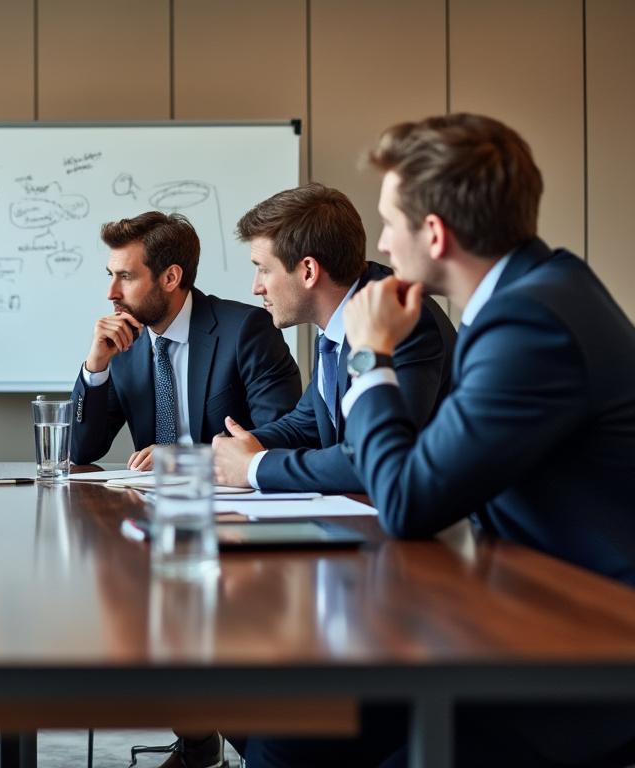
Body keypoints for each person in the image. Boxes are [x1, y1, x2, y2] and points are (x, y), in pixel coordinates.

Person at [245, 114, 635, 766]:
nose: (383, 245)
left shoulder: (529, 322)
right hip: (520, 612)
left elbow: (408, 499)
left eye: (391, 223)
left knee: (296, 739)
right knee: (286, 732)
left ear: (435, 233)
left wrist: (372, 356)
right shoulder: (537, 292)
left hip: (583, 647)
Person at [211, 183, 456, 491]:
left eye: (263, 270)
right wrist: (231, 451)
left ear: (309, 271)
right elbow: (307, 422)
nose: (256, 287)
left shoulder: (401, 320)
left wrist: (253, 468)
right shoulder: (340, 319)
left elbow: (371, 458)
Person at [70, 211, 301, 471]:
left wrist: (185, 458)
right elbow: (81, 450)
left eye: (126, 277)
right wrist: (95, 368)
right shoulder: (124, 342)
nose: (111, 293)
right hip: (149, 502)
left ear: (170, 278)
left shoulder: (246, 331)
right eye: (110, 275)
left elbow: (283, 436)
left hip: (230, 502)